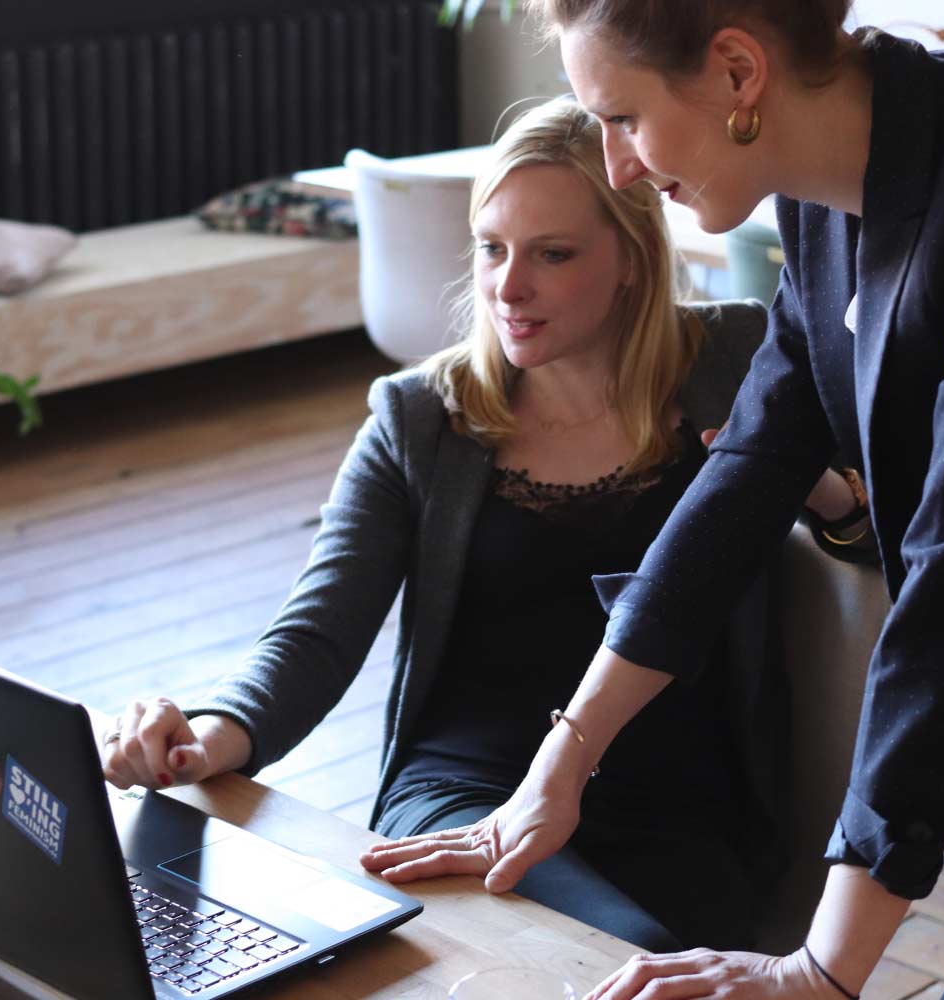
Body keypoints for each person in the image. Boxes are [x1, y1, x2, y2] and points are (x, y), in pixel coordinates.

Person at [357, 3, 944, 999]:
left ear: (738, 72)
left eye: (624, 118)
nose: (617, 167)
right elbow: (749, 469)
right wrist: (562, 764)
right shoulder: (828, 194)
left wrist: (821, 969)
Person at [102, 95, 860, 952]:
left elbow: (877, 542)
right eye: (492, 249)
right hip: (466, 793)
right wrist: (207, 738)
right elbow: (317, 632)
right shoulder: (422, 418)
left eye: (553, 254)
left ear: (633, 261)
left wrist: (820, 493)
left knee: (633, 951)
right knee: (609, 951)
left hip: (683, 805)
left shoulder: (738, 360)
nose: (509, 286)